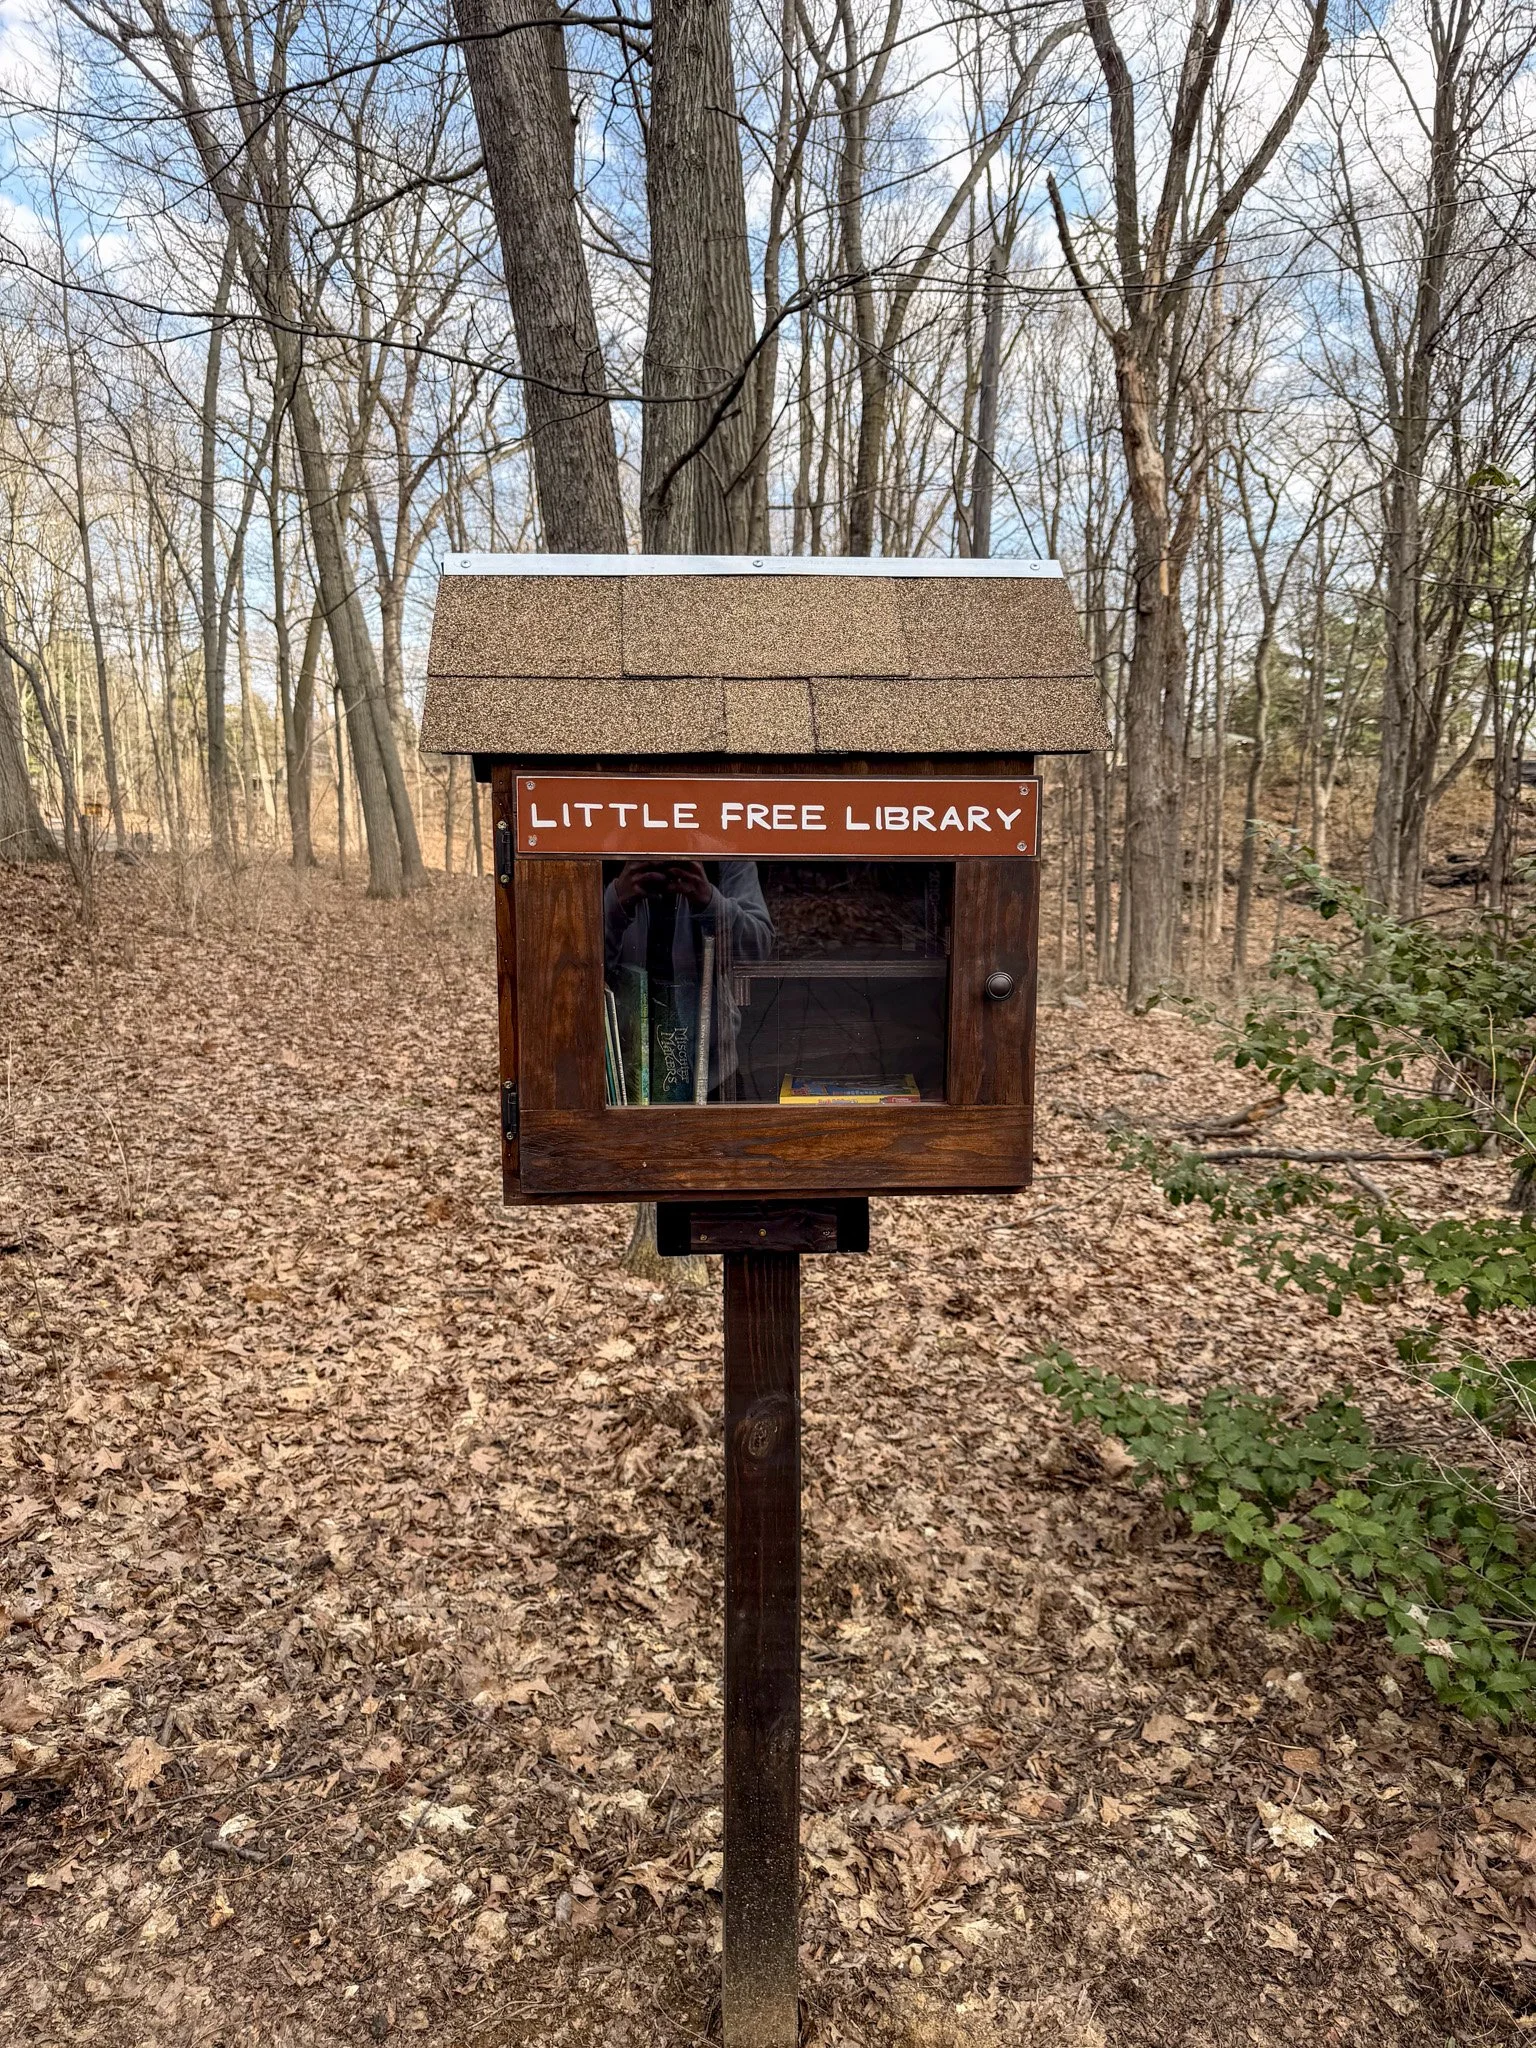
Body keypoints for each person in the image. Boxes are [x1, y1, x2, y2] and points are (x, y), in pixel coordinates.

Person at [603, 859, 773, 1101]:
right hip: (618, 1069)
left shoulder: (725, 855)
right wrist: (617, 902)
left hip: (711, 1075)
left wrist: (709, 901)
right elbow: (570, 965)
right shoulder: (603, 853)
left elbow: (758, 950)